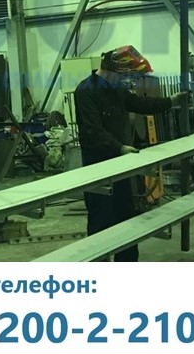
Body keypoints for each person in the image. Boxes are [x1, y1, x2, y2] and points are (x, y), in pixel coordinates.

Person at [74, 45, 188, 261]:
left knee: (126, 218)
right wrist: (120, 147)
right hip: (98, 169)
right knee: (101, 222)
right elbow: (93, 130)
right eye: (125, 76)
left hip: (121, 165)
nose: (128, 81)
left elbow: (140, 103)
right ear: (112, 71)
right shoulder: (86, 91)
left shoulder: (116, 89)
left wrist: (169, 101)